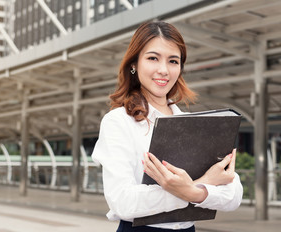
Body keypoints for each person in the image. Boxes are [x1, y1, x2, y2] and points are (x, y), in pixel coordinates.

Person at [91, 21, 243, 232]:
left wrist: (192, 190)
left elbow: (234, 194)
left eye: (173, 61)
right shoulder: (118, 121)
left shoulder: (194, 124)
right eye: (153, 58)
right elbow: (123, 201)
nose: (163, 70)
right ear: (134, 64)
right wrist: (201, 185)